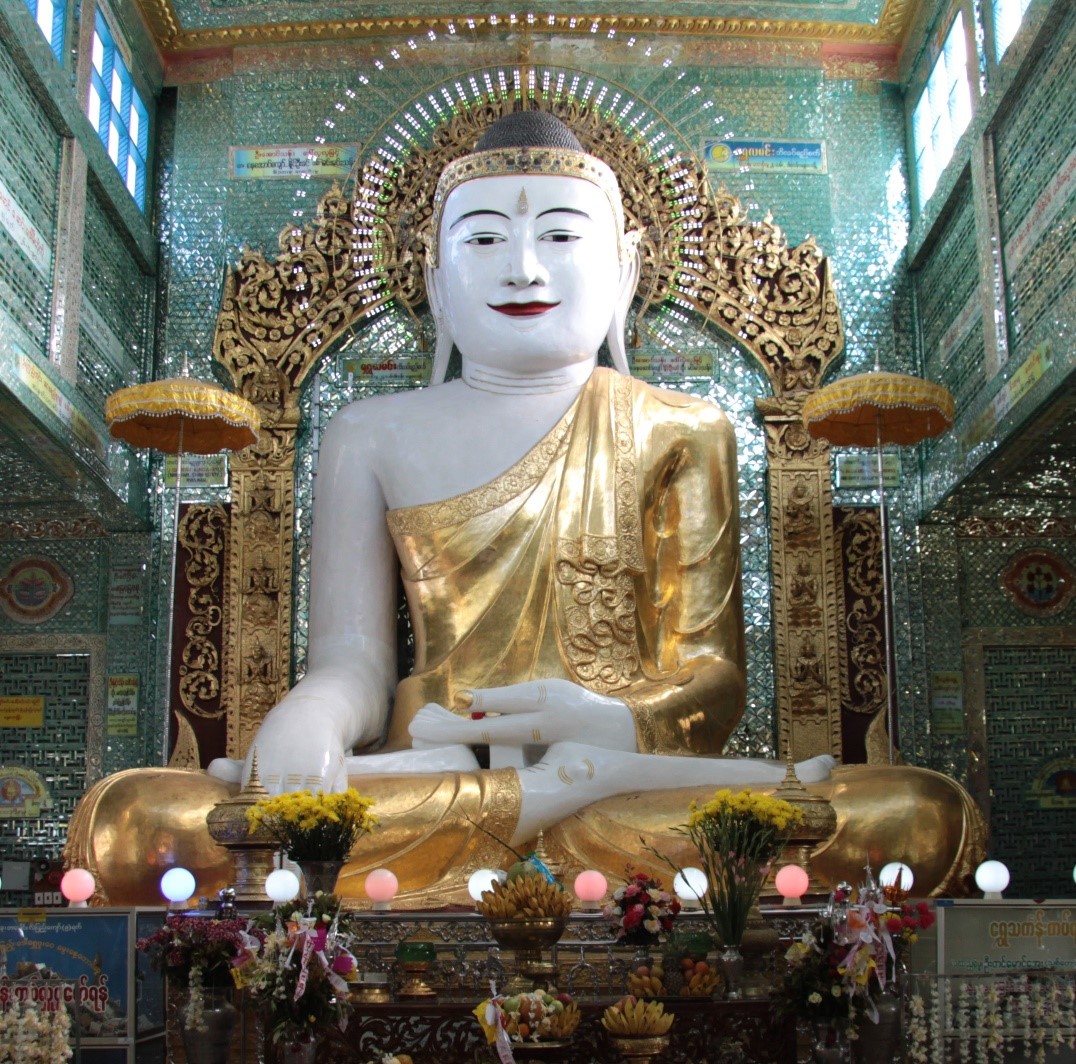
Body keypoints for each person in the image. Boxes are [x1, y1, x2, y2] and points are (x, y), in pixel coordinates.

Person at [70, 111, 983, 907]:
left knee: (910, 814)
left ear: (624, 268)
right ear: (435, 279)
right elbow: (355, 660)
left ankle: (565, 791)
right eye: (481, 240)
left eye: (561, 235)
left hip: (631, 786)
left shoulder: (683, 427)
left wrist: (600, 720)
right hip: (435, 772)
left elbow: (711, 677)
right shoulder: (369, 433)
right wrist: (311, 716)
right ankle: (549, 800)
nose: (522, 268)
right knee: (142, 820)